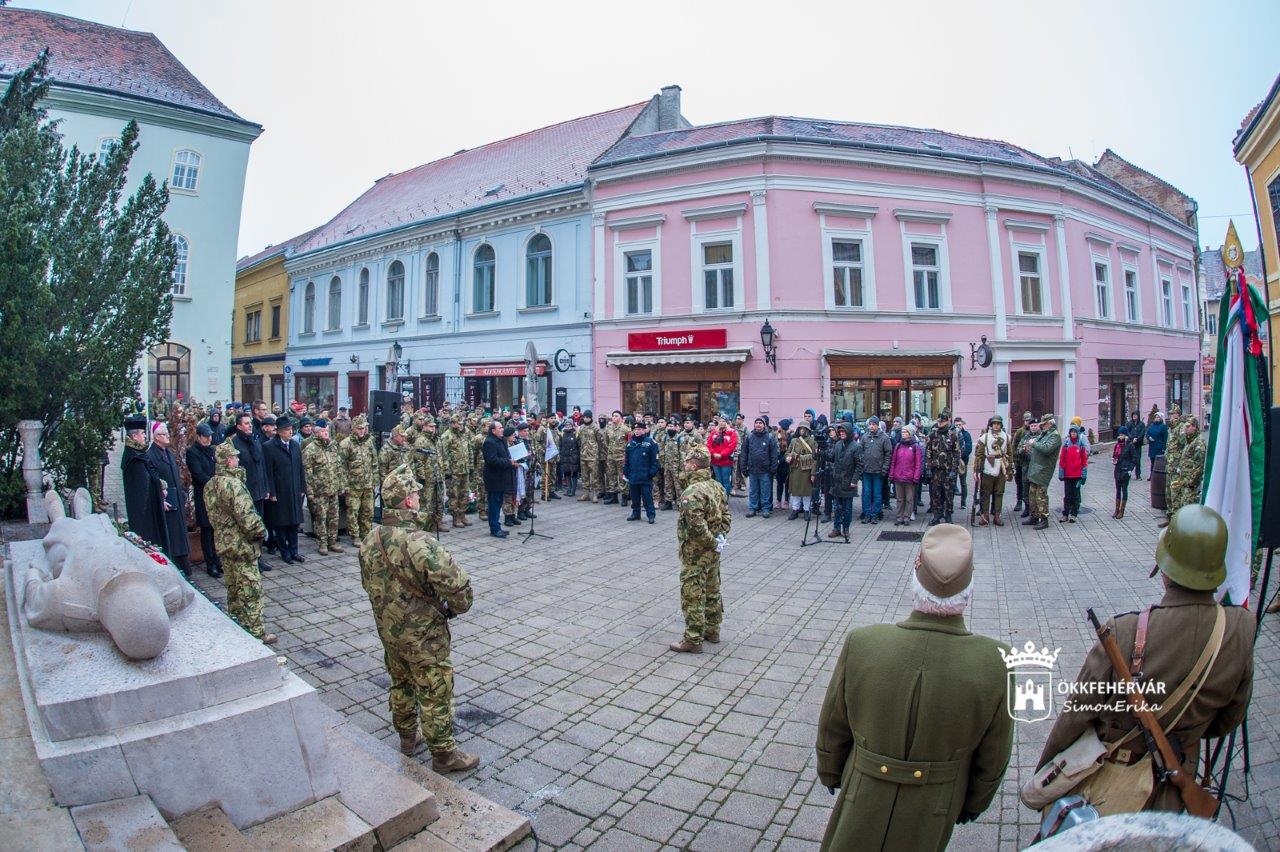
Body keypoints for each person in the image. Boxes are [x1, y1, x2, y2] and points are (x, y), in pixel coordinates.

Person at [1035, 505, 1253, 814]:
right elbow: (1230, 717)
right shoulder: (1241, 629)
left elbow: (1078, 715)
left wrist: (1047, 773)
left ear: (1164, 569)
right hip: (1180, 777)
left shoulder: (1122, 633)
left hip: (1116, 787)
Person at [817, 524, 1012, 850]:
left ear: (914, 576)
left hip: (862, 789)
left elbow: (833, 726)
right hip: (937, 801)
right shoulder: (997, 661)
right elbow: (994, 753)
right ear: (971, 587)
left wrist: (830, 772)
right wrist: (975, 802)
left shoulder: (863, 643)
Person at [359, 467, 478, 772]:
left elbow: (368, 584)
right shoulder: (420, 541)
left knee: (400, 683)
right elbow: (458, 586)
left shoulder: (370, 538)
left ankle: (407, 738)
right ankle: (444, 754)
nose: (418, 498)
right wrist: (456, 608)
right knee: (435, 689)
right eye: (415, 493)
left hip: (389, 632)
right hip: (424, 635)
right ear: (408, 502)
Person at [205, 442, 277, 645]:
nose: (238, 459)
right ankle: (255, 631)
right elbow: (247, 517)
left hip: (223, 543)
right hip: (242, 545)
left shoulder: (211, 485)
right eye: (235, 457)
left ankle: (236, 623)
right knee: (250, 588)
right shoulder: (234, 485)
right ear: (228, 460)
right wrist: (261, 532)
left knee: (233, 587)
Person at [670, 445, 731, 653]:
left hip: (696, 551)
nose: (685, 465)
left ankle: (693, 638)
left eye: (687, 462)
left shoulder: (692, 492)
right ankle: (712, 630)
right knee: (713, 588)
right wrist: (720, 537)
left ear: (694, 465)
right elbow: (726, 515)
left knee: (692, 592)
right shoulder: (716, 486)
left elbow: (696, 526)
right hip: (713, 549)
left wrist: (711, 541)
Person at [146, 423, 191, 577]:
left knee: (180, 534)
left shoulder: (168, 452)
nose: (168, 437)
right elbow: (154, 480)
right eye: (164, 434)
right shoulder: (151, 455)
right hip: (167, 502)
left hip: (176, 497)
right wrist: (161, 498)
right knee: (172, 536)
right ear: (157, 437)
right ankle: (176, 568)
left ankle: (185, 566)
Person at [120, 415, 168, 553]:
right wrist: (159, 486)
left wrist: (160, 484)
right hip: (145, 514)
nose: (144, 437)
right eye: (142, 433)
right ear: (134, 436)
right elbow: (144, 486)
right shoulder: (134, 458)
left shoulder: (138, 452)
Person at [263, 417, 306, 564]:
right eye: (287, 430)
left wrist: (302, 487)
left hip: (294, 490)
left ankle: (294, 551)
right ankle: (284, 551)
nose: (290, 432)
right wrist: (272, 492)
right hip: (280, 491)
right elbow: (268, 472)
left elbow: (300, 468)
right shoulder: (269, 447)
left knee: (294, 522)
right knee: (281, 523)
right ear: (280, 432)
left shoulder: (294, 445)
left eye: (291, 430)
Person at [303, 421, 344, 555]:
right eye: (323, 431)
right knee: (321, 518)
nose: (326, 433)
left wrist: (341, 485)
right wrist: (310, 493)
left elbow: (339, 468)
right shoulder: (310, 449)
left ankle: (332, 541)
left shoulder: (333, 446)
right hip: (319, 491)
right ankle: (322, 543)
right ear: (316, 433)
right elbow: (307, 473)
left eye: (327, 430)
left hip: (333, 489)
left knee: (334, 517)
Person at [186, 423, 220, 578]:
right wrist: (215, 483)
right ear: (198, 437)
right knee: (206, 530)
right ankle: (210, 564)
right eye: (206, 437)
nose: (208, 439)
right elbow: (198, 474)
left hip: (216, 496)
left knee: (216, 530)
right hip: (204, 496)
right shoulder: (192, 452)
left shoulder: (212, 450)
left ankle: (217, 560)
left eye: (210, 436)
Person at [341, 415, 379, 542]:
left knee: (368, 511)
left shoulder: (369, 442)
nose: (362, 430)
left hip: (368, 484)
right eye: (359, 428)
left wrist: (375, 480)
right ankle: (355, 536)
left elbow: (374, 462)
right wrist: (345, 486)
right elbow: (341, 467)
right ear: (353, 429)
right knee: (353, 512)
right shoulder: (346, 444)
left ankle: (366, 534)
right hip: (353, 486)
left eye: (364, 428)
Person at [972, 416, 1012, 527]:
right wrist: (976, 471)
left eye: (998, 424)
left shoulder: (1006, 437)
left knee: (999, 493)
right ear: (991, 425)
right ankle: (984, 517)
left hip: (1001, 467)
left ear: (1001, 425)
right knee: (985, 493)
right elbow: (979, 455)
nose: (996, 425)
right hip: (987, 467)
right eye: (994, 423)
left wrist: (1009, 469)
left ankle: (997, 516)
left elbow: (1009, 453)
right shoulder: (984, 438)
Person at [1025, 414, 1062, 530]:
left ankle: (1044, 519)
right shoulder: (1045, 434)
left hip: (1044, 470)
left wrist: (1033, 443)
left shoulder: (1055, 436)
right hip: (1035, 469)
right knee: (1032, 494)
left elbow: (1046, 449)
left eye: (1044, 424)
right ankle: (1034, 516)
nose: (1042, 426)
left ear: (1050, 424)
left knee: (1041, 496)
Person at [924, 411, 961, 526]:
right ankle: (937, 515)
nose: (940, 424)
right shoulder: (933, 434)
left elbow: (957, 453)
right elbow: (928, 451)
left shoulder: (953, 435)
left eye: (943, 421)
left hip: (948, 470)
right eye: (939, 421)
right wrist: (928, 468)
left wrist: (954, 470)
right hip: (936, 470)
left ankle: (948, 514)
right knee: (936, 494)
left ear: (948, 421)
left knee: (948, 494)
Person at [740, 417, 779, 518]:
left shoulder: (770, 437)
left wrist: (773, 468)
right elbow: (744, 453)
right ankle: (753, 508)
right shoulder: (749, 437)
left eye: (760, 423)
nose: (758, 424)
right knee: (753, 491)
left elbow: (774, 455)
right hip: (752, 470)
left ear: (764, 425)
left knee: (765, 491)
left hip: (765, 470)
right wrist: (743, 467)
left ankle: (766, 509)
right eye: (756, 423)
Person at [439, 416, 473, 529]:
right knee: (454, 495)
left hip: (465, 469)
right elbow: (443, 454)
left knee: (465, 493)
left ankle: (462, 514)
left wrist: (471, 465)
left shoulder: (463, 435)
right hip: (454, 471)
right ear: (453, 423)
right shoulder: (446, 436)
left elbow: (469, 450)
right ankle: (455, 517)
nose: (461, 425)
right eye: (459, 423)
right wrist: (447, 470)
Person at [826, 423, 861, 534]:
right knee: (837, 507)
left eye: (843, 431)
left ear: (849, 433)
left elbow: (860, 465)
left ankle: (846, 528)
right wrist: (823, 451)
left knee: (847, 508)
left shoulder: (856, 446)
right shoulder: (837, 444)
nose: (841, 433)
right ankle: (836, 528)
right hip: (837, 481)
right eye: (840, 432)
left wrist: (854, 480)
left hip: (848, 481)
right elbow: (832, 458)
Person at [481, 419, 513, 538]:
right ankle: (494, 529)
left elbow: (505, 454)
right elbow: (492, 460)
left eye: (502, 428)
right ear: (493, 430)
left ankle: (497, 526)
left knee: (498, 502)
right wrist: (509, 462)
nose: (502, 430)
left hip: (501, 477)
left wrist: (510, 460)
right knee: (494, 504)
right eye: (500, 428)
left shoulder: (501, 440)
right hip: (493, 478)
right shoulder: (489, 442)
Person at [623, 420, 660, 524]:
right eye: (635, 429)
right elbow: (627, 460)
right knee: (635, 498)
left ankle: (651, 515)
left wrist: (651, 473)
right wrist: (626, 471)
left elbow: (655, 460)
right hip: (633, 476)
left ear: (644, 430)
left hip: (645, 476)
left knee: (647, 497)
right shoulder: (630, 444)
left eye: (639, 429)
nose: (637, 431)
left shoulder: (650, 443)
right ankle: (636, 513)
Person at [1168, 417, 1205, 518]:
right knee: (1182, 508)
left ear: (1194, 427)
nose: (1185, 429)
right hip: (1184, 481)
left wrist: (1191, 482)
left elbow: (1199, 466)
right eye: (1185, 427)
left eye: (1188, 427)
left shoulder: (1198, 442)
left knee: (1189, 510)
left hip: (1190, 484)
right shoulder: (1189, 441)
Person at [888, 425, 924, 526]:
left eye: (905, 432)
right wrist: (891, 474)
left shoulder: (915, 446)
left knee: (909, 499)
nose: (903, 434)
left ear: (910, 433)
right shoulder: (898, 446)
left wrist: (916, 477)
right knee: (899, 498)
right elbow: (893, 462)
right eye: (903, 432)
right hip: (898, 476)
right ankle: (899, 517)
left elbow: (918, 464)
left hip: (910, 477)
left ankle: (906, 516)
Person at [859, 416, 892, 524]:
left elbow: (888, 454)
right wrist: (861, 467)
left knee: (877, 494)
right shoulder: (865, 437)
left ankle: (875, 514)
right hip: (866, 471)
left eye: (874, 424)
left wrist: (885, 469)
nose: (872, 426)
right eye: (870, 424)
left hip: (878, 471)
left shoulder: (884, 438)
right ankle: (867, 513)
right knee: (866, 493)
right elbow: (860, 453)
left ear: (878, 425)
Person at [787, 422, 818, 522]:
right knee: (795, 492)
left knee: (806, 492)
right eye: (800, 428)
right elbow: (788, 452)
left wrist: (813, 473)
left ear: (808, 430)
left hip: (807, 470)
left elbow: (815, 458)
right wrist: (787, 457)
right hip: (795, 469)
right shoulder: (794, 441)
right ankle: (795, 509)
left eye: (804, 429)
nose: (802, 430)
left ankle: (806, 510)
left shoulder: (812, 441)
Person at [1058, 425, 1088, 522]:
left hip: (1077, 475)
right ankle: (1065, 514)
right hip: (1068, 474)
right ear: (1070, 433)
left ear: (1078, 433)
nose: (1073, 434)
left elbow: (1084, 461)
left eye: (1075, 432)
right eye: (1072, 432)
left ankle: (1074, 514)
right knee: (1067, 495)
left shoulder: (1081, 445)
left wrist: (1084, 475)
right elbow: (1062, 459)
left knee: (1075, 495)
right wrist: (1061, 473)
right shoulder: (1066, 445)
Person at [603, 411, 629, 505]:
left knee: (622, 477)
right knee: (611, 476)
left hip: (621, 457)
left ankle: (624, 497)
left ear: (621, 418)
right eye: (613, 416)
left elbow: (629, 442)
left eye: (616, 416)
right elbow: (606, 442)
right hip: (611, 456)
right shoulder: (608, 429)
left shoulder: (626, 429)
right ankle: (613, 497)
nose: (613, 417)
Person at [577, 409, 602, 503]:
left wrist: (595, 450)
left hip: (593, 455)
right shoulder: (581, 427)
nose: (586, 419)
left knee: (594, 476)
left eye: (587, 417)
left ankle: (595, 494)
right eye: (584, 417)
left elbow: (599, 440)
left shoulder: (595, 428)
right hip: (583, 455)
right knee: (584, 475)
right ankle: (585, 494)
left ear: (591, 417)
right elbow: (579, 439)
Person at [1112, 430, 1139, 518]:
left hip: (1125, 470)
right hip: (1118, 470)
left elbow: (1134, 459)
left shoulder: (1130, 445)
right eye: (1119, 435)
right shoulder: (1117, 445)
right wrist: (1114, 460)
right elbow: (1114, 456)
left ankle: (1122, 510)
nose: (1121, 436)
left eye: (1122, 435)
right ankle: (1116, 509)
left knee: (1124, 490)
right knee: (1117, 490)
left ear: (1126, 436)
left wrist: (1130, 469)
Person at [1011, 411, 1034, 514]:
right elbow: (1014, 445)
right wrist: (1014, 459)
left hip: (1029, 463)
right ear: (1023, 421)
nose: (1028, 422)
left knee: (1028, 484)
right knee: (1019, 482)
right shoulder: (1020, 432)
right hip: (1019, 462)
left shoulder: (1034, 432)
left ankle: (1028, 504)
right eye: (1026, 420)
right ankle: (1019, 501)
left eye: (1029, 420)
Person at [707, 420, 738, 494]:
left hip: (726, 462)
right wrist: (713, 454)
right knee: (718, 480)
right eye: (720, 421)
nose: (721, 422)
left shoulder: (732, 433)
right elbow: (709, 444)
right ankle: (719, 500)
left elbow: (731, 447)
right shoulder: (714, 432)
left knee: (725, 481)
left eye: (723, 421)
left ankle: (725, 501)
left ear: (727, 422)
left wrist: (721, 455)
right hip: (715, 461)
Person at [954, 417, 973, 510]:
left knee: (963, 483)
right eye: (956, 425)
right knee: (952, 482)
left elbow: (968, 448)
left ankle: (963, 502)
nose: (958, 426)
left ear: (962, 425)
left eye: (959, 425)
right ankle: (950, 502)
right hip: (952, 462)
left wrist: (961, 456)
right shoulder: (952, 433)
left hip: (963, 462)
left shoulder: (966, 435)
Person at [558, 422, 580, 497]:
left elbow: (578, 445)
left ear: (572, 425)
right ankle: (569, 489)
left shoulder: (575, 433)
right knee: (566, 473)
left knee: (574, 473)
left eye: (569, 425)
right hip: (565, 456)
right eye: (566, 425)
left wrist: (577, 456)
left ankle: (573, 490)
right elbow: (560, 445)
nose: (568, 426)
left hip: (573, 456)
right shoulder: (562, 434)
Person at [1127, 411, 1148, 480]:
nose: (1134, 416)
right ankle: (1127, 474)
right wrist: (1132, 438)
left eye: (1135, 415)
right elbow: (1127, 432)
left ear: (1138, 416)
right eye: (1133, 415)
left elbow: (1142, 433)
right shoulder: (1129, 424)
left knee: (1138, 460)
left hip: (1138, 445)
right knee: (1129, 459)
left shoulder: (1141, 424)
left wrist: (1137, 439)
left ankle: (1138, 475)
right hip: (1130, 444)